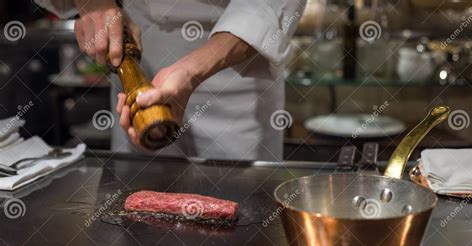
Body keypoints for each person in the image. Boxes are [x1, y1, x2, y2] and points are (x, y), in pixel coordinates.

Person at [36, 0, 306, 161]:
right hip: (141, 54)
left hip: (238, 73)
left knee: (239, 219)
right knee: (137, 223)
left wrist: (190, 72)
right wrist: (93, 3)